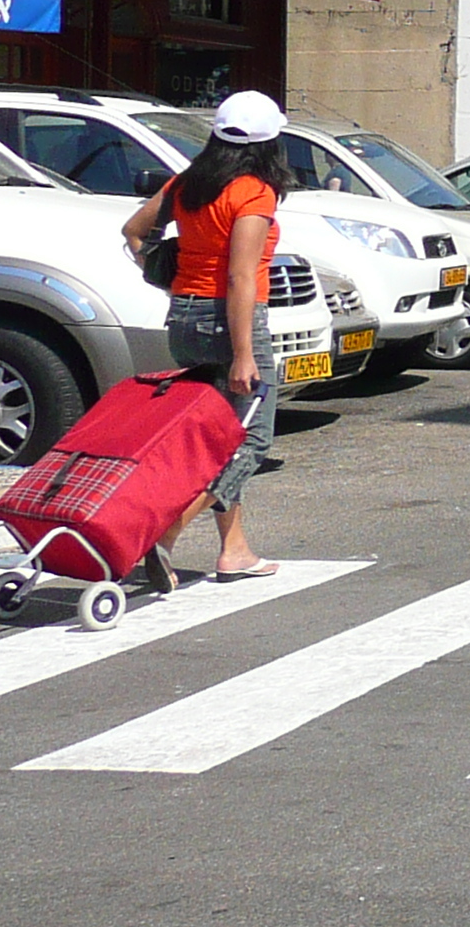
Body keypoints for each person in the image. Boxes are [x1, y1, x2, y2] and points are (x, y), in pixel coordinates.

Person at [122, 90, 293, 587]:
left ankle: (234, 551)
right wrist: (243, 354)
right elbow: (241, 278)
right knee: (248, 440)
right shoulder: (254, 193)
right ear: (270, 144)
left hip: (183, 320)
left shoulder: (188, 185)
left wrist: (163, 272)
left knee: (217, 438)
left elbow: (133, 232)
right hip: (232, 323)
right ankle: (166, 532)